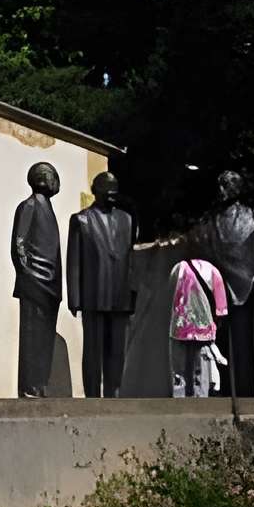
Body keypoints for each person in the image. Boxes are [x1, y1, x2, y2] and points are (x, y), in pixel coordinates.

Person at [65, 171, 140, 399]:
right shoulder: (81, 220)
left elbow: (132, 260)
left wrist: (133, 294)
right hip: (93, 295)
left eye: (115, 189)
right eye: (108, 189)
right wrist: (74, 298)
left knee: (117, 352)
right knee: (93, 351)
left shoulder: (127, 220)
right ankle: (92, 396)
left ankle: (113, 394)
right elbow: (74, 262)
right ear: (96, 191)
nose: (112, 194)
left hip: (120, 295)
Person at [204, 170, 254, 397]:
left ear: (237, 188)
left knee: (243, 344)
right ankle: (222, 392)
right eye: (220, 185)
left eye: (226, 185)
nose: (221, 190)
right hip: (218, 288)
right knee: (218, 344)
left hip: (245, 288)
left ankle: (245, 393)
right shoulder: (210, 221)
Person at [9, 161, 64, 398]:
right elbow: (19, 244)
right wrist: (29, 276)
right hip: (35, 284)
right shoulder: (29, 206)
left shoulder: (47, 208)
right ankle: (30, 388)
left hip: (50, 287)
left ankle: (40, 385)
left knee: (44, 340)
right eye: (53, 176)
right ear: (42, 178)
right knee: (32, 338)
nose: (56, 182)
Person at [170, 249, 228, 397]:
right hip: (204, 329)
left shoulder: (178, 267)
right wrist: (216, 323)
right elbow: (221, 306)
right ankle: (199, 396)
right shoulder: (212, 269)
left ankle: (181, 395)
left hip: (180, 327)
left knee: (180, 368)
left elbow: (170, 296)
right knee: (201, 367)